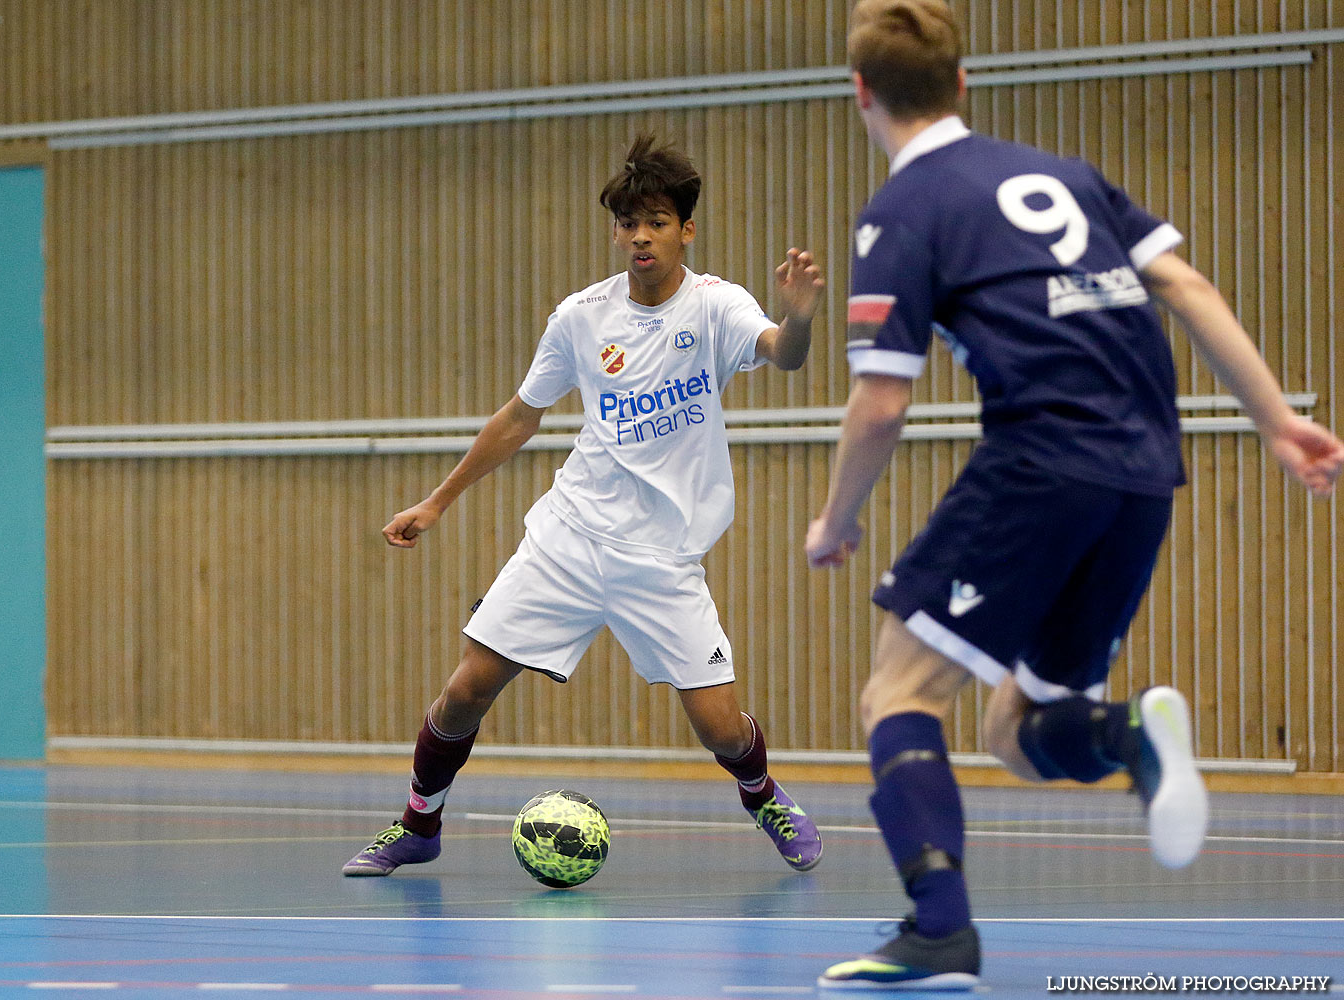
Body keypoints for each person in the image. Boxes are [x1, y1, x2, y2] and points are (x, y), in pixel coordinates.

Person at [805, 0, 1344, 990]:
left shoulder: (901, 211)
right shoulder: (1065, 175)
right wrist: (1276, 420)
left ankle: (940, 929)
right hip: (1144, 473)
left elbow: (880, 402)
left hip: (1039, 461)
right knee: (1017, 729)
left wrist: (834, 522)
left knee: (900, 691)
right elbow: (1186, 288)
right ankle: (1125, 736)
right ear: (964, 82)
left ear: (861, 94)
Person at [343, 134, 827, 879]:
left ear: (685, 231)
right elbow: (520, 416)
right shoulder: (580, 317)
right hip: (571, 534)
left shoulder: (718, 306)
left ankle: (763, 796)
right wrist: (439, 501)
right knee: (466, 688)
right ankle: (418, 823)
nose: (640, 235)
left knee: (722, 728)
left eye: (657, 221)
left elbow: (783, 353)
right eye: (628, 222)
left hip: (663, 556)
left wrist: (797, 319)